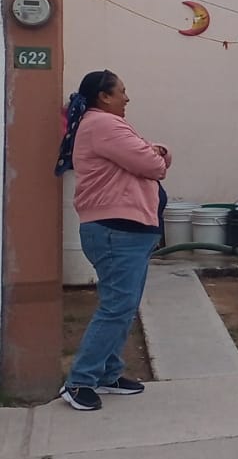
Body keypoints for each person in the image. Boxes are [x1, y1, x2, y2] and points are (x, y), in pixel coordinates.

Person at [54, 70, 171, 411]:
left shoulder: (101, 125)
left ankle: (107, 373)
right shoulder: (105, 125)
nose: (127, 98)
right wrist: (159, 152)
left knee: (122, 305)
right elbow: (152, 164)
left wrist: (153, 153)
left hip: (123, 232)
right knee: (117, 307)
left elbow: (145, 159)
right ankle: (79, 381)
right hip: (116, 231)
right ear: (104, 96)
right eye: (122, 91)